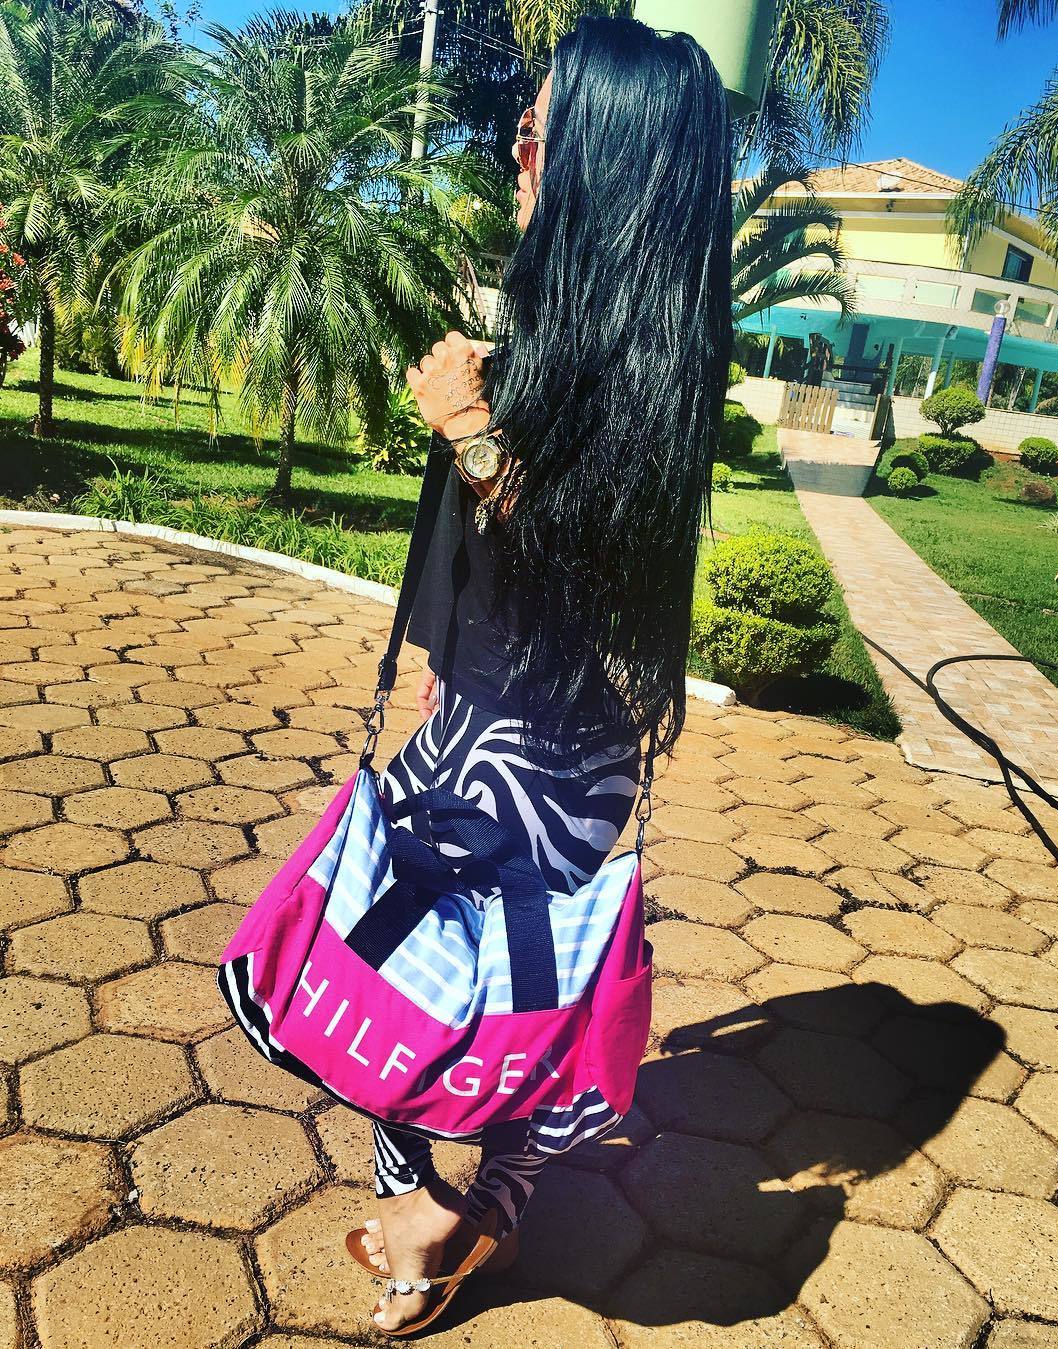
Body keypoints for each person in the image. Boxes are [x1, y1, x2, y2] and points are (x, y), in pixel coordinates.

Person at [351, 15, 733, 1334]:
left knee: (428, 964)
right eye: (525, 124)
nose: (519, 149)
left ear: (611, 164)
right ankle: (472, 1209)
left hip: (542, 749)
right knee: (475, 972)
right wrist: (438, 656)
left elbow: (573, 552)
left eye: (544, 132)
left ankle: (434, 1213)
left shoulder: (643, 363)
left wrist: (466, 427)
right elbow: (490, 551)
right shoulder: (566, 327)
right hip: (492, 713)